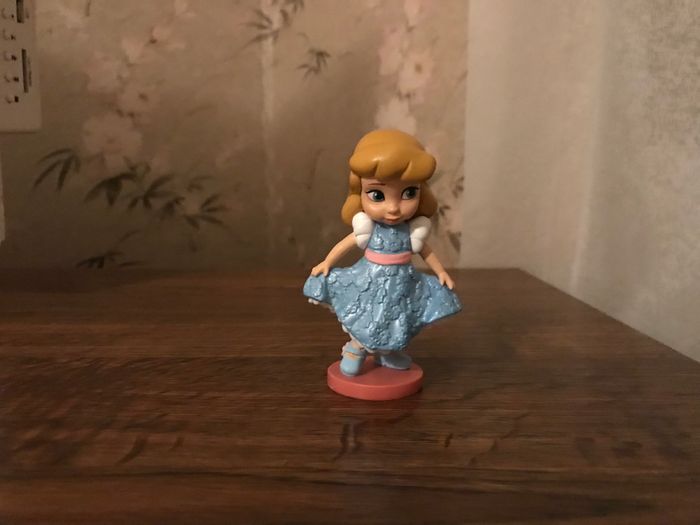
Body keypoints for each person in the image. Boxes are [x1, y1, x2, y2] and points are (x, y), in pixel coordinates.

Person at [303, 129, 462, 377]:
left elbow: (426, 251)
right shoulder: (368, 228)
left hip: (402, 283)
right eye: (378, 195)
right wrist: (327, 262)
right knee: (367, 316)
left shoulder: (412, 232)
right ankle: (355, 349)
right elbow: (346, 243)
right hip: (371, 280)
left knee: (398, 317)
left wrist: (441, 272)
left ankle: (388, 352)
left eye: (409, 193)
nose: (393, 208)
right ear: (360, 192)